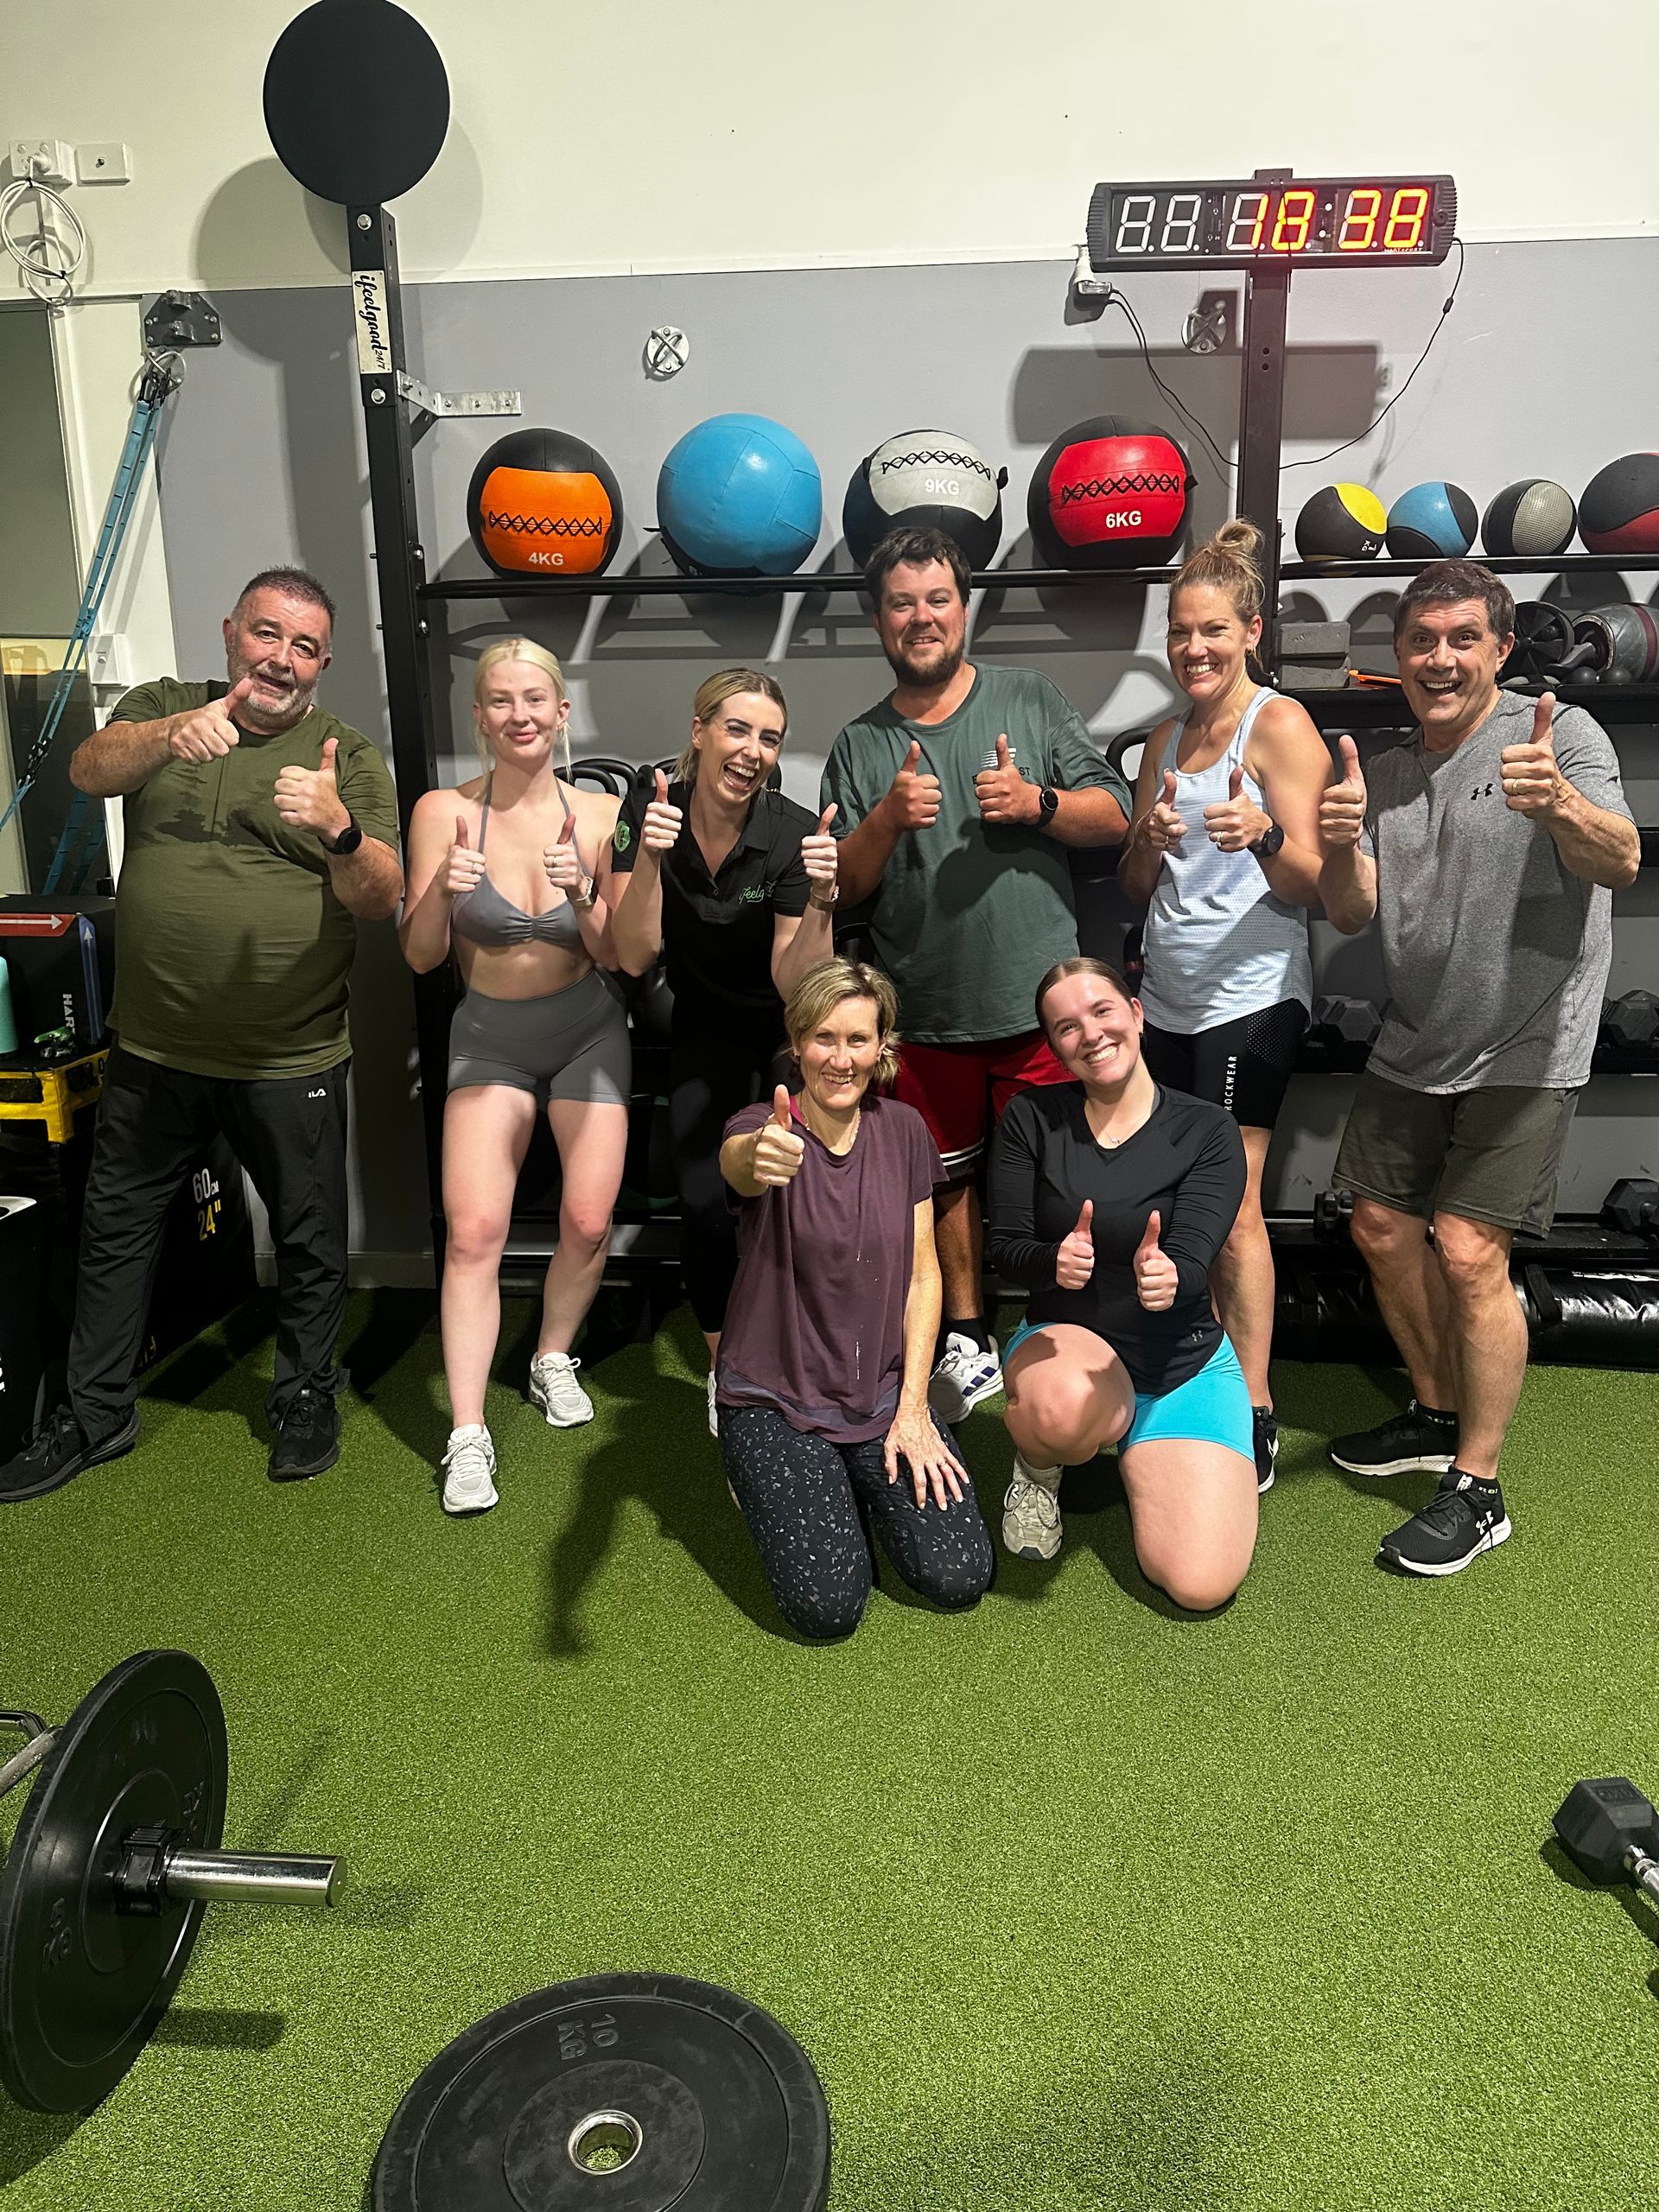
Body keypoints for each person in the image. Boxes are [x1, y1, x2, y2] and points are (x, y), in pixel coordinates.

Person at [0, 567, 404, 1501]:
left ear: (324, 663)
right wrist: (161, 739)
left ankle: (304, 1393)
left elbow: (381, 897)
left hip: (289, 1053)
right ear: (231, 633)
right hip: (151, 1045)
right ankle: (97, 1416)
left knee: (307, 1238)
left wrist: (340, 830)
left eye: (305, 647)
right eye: (268, 634)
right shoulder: (167, 708)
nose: (282, 659)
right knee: (115, 1231)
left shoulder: (345, 751)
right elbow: (87, 768)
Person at [1318, 557, 1638, 1575]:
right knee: (1378, 1225)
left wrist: (1558, 810)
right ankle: (1431, 1408)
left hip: (1530, 1039)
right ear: (1399, 657)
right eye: (1422, 640)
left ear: (1500, 649)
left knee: (1466, 1247)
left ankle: (1479, 1484)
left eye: (1463, 638)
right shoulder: (1391, 767)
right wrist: (1334, 844)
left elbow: (1621, 859)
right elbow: (1353, 913)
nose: (1440, 657)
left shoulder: (1561, 735)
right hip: (1419, 1035)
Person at [821, 525, 1130, 1423]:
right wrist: (883, 821)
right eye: (901, 603)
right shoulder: (861, 741)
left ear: (966, 607)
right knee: (944, 1183)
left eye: (937, 599)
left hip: (1043, 1011)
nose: (921, 618)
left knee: (1063, 1180)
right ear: (880, 620)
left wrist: (1037, 803)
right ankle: (967, 1331)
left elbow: (1116, 813)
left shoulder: (1028, 699)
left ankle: (1064, 1325)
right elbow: (840, 885)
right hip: (923, 1011)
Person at [1116, 520, 1331, 1492]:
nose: (1193, 650)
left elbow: (1318, 884)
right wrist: (1149, 842)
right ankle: (1191, 1374)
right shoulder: (1165, 736)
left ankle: (1256, 1406)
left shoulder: (1276, 725)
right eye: (1178, 633)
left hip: (1251, 996)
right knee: (1171, 1200)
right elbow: (1131, 884)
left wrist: (1266, 832)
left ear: (1251, 629)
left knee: (1234, 1207)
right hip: (1165, 996)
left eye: (1211, 631)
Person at [401, 638, 629, 1516]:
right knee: (474, 1231)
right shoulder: (440, 813)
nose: (520, 714)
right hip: (489, 1034)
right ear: (479, 715)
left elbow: (619, 956)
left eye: (535, 698)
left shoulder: (600, 816)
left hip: (586, 1031)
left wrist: (582, 892)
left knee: (587, 1215)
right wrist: (437, 894)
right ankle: (467, 1433)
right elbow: (422, 958)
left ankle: (551, 1355)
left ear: (562, 711)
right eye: (500, 700)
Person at [715, 957, 995, 1640]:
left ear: (882, 1047)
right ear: (797, 1042)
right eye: (824, 1038)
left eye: (858, 1040)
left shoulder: (904, 1131)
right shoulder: (763, 1125)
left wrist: (914, 1410)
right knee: (827, 1609)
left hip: (881, 1396)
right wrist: (761, 1154)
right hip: (775, 1400)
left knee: (960, 1575)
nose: (841, 1059)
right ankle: (776, 1471)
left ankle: (852, 1484)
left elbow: (925, 1276)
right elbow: (741, 1165)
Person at [603, 670, 839, 1433]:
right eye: (737, 729)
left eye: (770, 737)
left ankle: (808, 1356)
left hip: (782, 1026)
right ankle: (726, 1368)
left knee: (794, 1190)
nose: (753, 750)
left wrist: (825, 901)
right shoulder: (648, 803)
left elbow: (794, 979)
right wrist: (646, 863)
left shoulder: (791, 833)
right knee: (704, 1200)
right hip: (700, 1019)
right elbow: (634, 956)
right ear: (700, 730)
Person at [987, 957, 1253, 1605]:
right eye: (1067, 1027)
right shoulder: (1031, 1116)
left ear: (1135, 1014)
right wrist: (1051, 1261)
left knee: (1200, 1585)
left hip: (1179, 1364)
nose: (1091, 1034)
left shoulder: (1207, 1129)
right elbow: (1005, 1249)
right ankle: (1040, 1468)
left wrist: (1169, 1275)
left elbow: (1193, 1259)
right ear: (1055, 1047)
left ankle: (1142, 1450)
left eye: (1102, 1011)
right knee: (1064, 1409)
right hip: (1070, 1345)